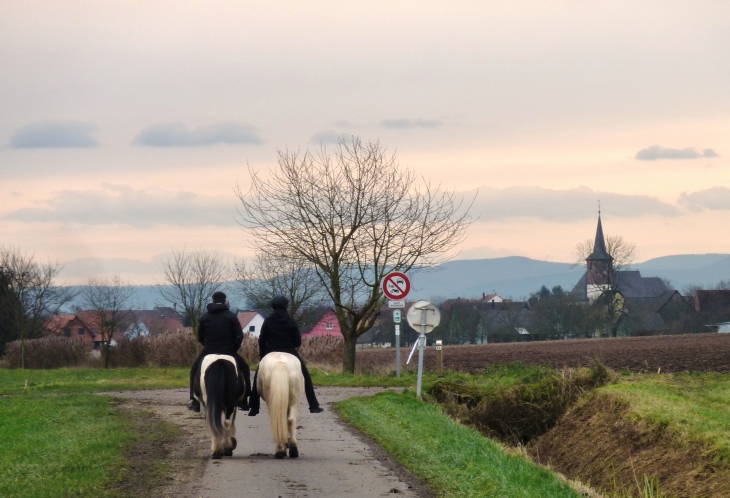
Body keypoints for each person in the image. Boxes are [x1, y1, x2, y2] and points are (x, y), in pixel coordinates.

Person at [248, 295, 323, 416]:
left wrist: (262, 356)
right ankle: (313, 405)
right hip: (289, 351)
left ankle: (254, 407)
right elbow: (297, 341)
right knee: (306, 376)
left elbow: (262, 340)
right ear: (286, 306)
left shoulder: (267, 321)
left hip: (270, 351)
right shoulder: (291, 321)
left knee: (258, 377)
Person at [187, 291, 251, 412]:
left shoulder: (204, 317)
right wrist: (233, 350)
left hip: (208, 351)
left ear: (212, 301)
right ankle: (244, 399)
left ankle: (194, 400)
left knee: (194, 371)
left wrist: (207, 346)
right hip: (228, 351)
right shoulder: (231, 316)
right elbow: (239, 336)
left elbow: (199, 336)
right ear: (225, 301)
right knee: (245, 369)